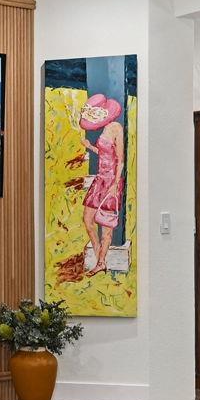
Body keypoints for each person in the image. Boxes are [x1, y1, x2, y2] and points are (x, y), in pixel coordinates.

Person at [75, 92, 124, 276]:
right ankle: (99, 257)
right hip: (100, 179)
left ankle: (101, 262)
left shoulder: (116, 128)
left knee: (106, 227)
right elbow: (104, 153)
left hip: (111, 181)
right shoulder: (104, 129)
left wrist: (115, 184)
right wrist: (90, 147)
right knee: (88, 220)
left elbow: (120, 160)